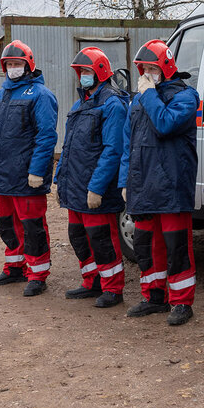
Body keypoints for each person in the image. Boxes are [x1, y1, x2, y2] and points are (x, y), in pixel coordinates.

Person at [119, 39, 200, 326]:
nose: (146, 74)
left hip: (171, 183)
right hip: (142, 183)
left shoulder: (186, 97)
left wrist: (150, 94)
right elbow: (128, 143)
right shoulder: (140, 98)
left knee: (176, 246)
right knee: (145, 243)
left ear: (166, 67)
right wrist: (125, 180)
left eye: (152, 68)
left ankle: (181, 301)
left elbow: (165, 124)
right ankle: (154, 296)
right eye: (143, 69)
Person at [0, 40, 59, 297]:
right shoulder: (0, 94)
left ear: (28, 65)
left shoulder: (41, 95)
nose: (13, 68)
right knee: (5, 224)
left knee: (33, 226)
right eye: (9, 64)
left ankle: (38, 273)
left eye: (17, 64)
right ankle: (14, 266)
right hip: (3, 173)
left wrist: (37, 171)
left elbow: (47, 136)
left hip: (27, 176)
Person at [55, 47, 129, 308]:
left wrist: (96, 187)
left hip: (95, 189)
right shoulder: (81, 103)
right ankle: (92, 281)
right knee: (77, 235)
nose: (82, 76)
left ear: (99, 72)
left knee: (102, 238)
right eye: (80, 72)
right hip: (74, 186)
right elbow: (69, 146)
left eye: (86, 71)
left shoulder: (113, 105)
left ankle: (112, 288)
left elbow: (113, 150)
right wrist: (59, 179)